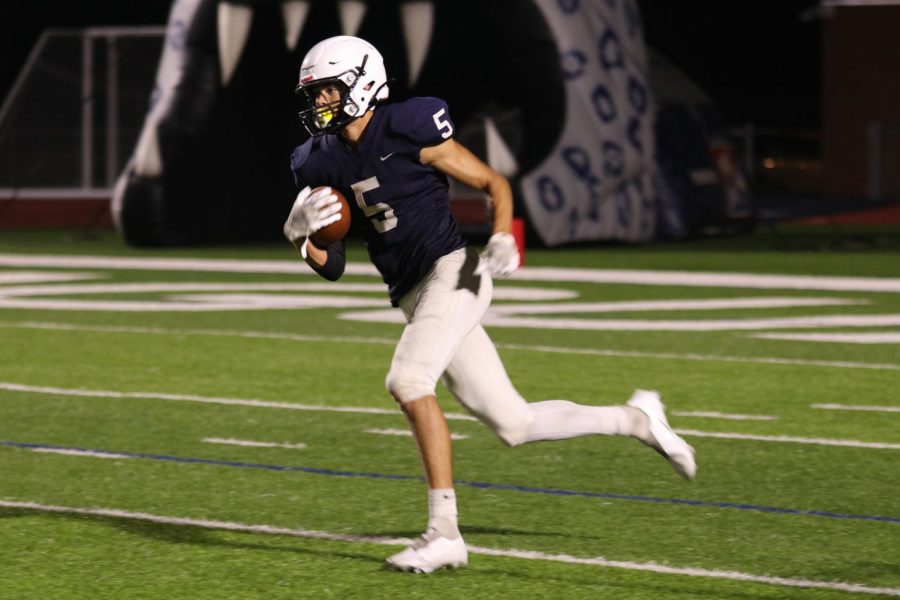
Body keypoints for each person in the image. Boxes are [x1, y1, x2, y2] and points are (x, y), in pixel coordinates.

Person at [283, 35, 696, 574]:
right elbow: (332, 265)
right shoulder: (319, 160)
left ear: (363, 84)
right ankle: (637, 419)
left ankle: (444, 532)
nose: (319, 105)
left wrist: (503, 235)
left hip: (455, 272)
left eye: (328, 92)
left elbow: (490, 180)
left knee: (408, 382)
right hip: (414, 294)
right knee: (514, 423)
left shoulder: (409, 125)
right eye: (314, 95)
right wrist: (301, 239)